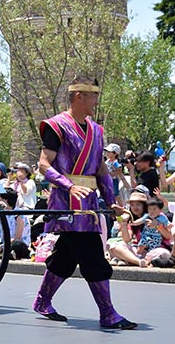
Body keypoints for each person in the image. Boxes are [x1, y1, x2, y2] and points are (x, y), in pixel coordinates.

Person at [32, 76, 136, 330]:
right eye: (93, 96)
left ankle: (42, 301)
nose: (97, 102)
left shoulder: (97, 131)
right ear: (79, 96)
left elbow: (100, 169)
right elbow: (43, 164)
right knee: (91, 254)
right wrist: (68, 185)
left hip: (88, 203)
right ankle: (108, 313)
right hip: (66, 202)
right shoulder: (56, 126)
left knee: (67, 256)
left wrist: (112, 202)